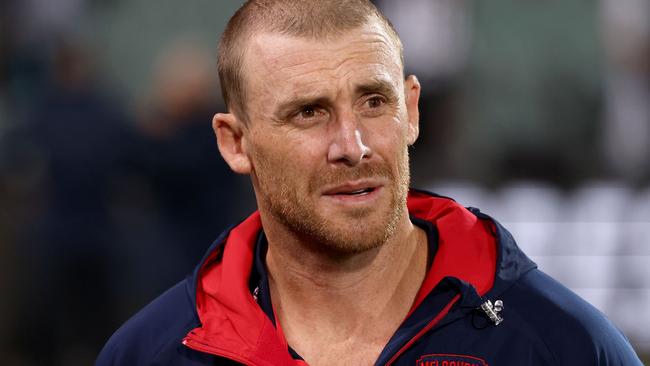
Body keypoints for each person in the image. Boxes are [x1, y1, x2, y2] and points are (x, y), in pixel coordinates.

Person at [96, 1, 643, 365]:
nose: (352, 146)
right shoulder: (150, 353)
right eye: (309, 113)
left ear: (411, 111)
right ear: (235, 143)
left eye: (374, 102)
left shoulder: (566, 346)